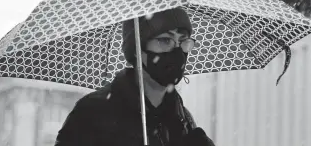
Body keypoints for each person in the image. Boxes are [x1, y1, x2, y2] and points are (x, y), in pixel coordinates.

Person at [54, 8, 215, 146]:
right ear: (137, 49)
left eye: (183, 41)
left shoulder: (182, 119)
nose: (177, 51)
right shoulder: (92, 113)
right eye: (166, 40)